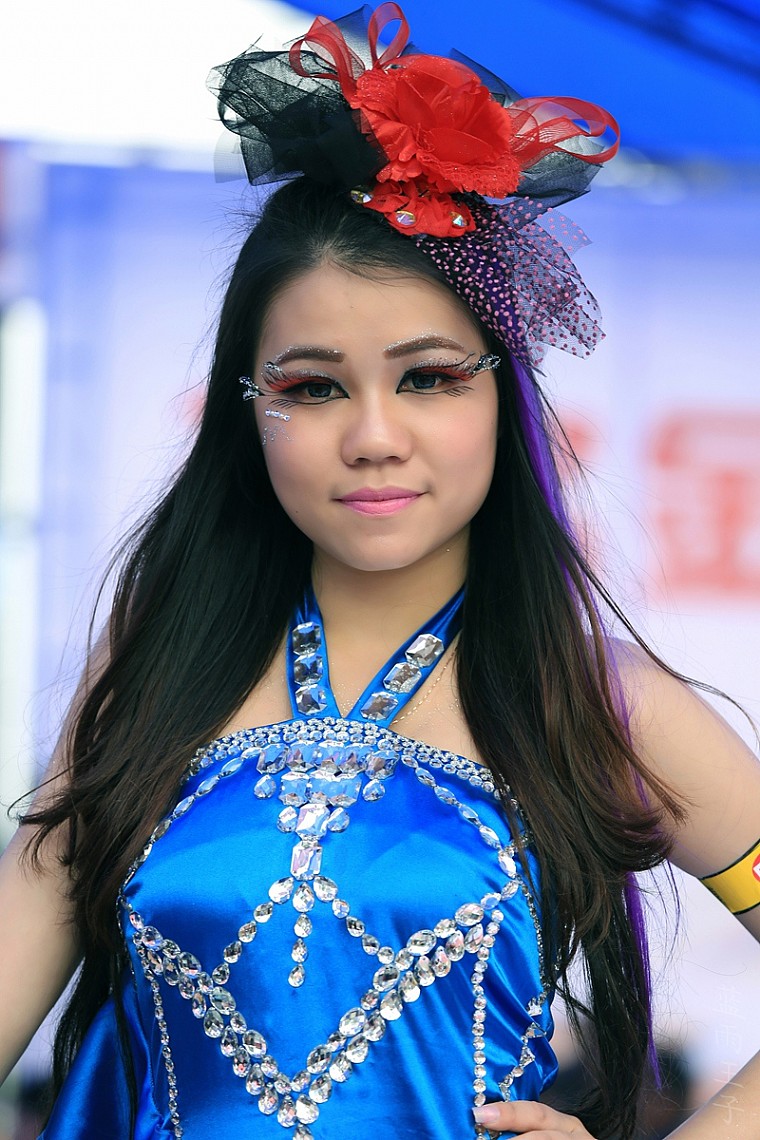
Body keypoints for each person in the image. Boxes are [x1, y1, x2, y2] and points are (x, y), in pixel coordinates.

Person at [1, 4, 758, 1138]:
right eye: (312, 388)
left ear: (501, 391)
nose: (372, 437)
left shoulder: (597, 701)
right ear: (246, 412)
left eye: (428, 378)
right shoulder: (155, 672)